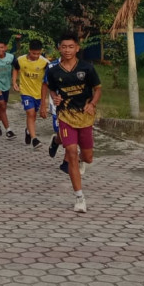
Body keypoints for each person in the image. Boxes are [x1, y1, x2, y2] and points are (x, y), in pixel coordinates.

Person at [41, 33, 102, 213]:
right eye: (64, 47)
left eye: (71, 47)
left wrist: (92, 104)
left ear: (77, 48)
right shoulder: (53, 71)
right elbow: (51, 88)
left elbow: (97, 89)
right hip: (65, 115)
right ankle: (79, 197)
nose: (67, 50)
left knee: (88, 157)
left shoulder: (87, 68)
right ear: (59, 48)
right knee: (71, 153)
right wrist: (54, 98)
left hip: (84, 117)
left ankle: (57, 139)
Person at [12, 40, 50, 149]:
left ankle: (28, 130)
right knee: (30, 113)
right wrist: (14, 82)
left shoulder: (45, 63)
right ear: (29, 50)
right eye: (34, 53)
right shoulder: (20, 60)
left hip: (38, 93)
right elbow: (15, 69)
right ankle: (35, 139)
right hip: (26, 92)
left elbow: (47, 81)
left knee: (33, 116)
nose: (36, 56)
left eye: (38, 53)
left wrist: (45, 102)